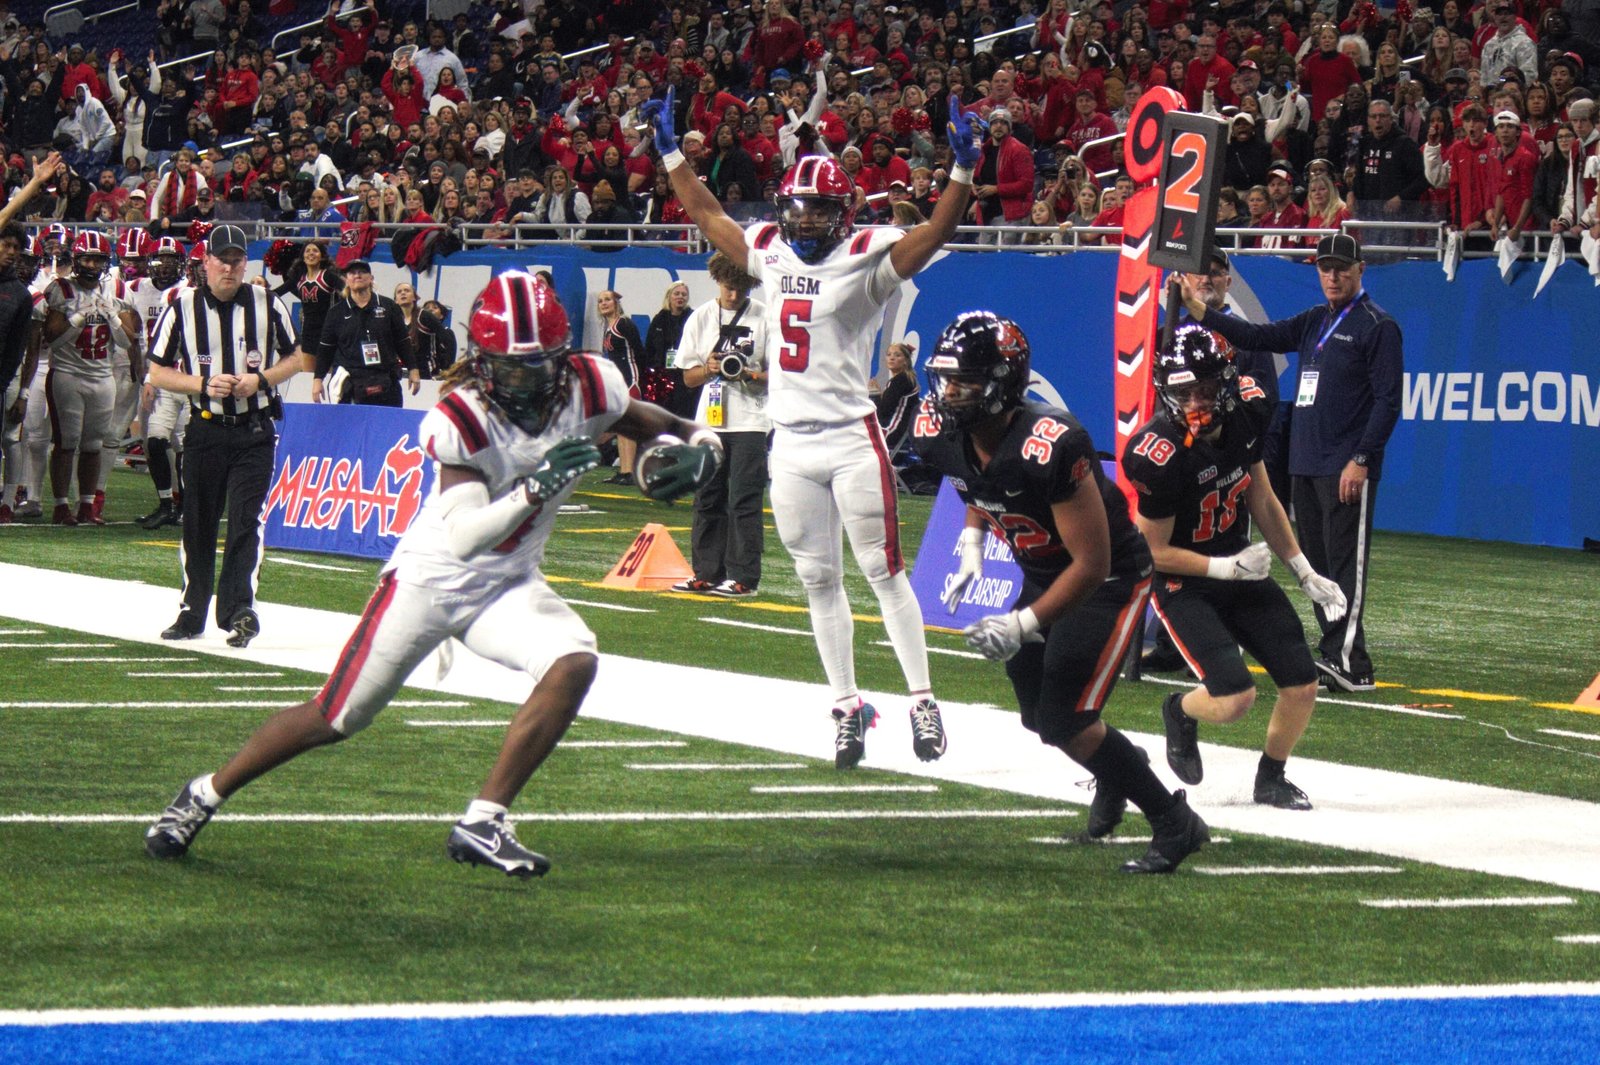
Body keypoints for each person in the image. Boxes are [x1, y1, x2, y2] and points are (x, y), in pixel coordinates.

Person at [144, 272, 722, 875]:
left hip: (509, 582)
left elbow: (667, 424)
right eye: (511, 367)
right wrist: (536, 487)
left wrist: (706, 447)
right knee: (336, 716)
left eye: (538, 366)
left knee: (574, 660)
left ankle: (484, 819)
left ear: (563, 357)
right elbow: (467, 536)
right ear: (482, 358)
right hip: (431, 579)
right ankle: (204, 793)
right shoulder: (462, 416)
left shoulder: (590, 384)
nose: (525, 381)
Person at [648, 87, 985, 768]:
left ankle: (922, 698)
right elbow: (709, 214)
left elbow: (932, 235)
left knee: (884, 573)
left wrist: (961, 172)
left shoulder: (866, 255)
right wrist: (667, 156)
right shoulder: (769, 248)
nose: (805, 221)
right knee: (818, 583)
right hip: (790, 441)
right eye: (798, 208)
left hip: (850, 436)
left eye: (820, 210)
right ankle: (846, 704)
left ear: (844, 214)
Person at [912, 312, 1209, 874]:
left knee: (1065, 718)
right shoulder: (944, 431)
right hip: (1045, 571)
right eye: (945, 379)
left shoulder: (1051, 443)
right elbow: (979, 479)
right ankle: (1120, 766)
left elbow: (1093, 564)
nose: (949, 393)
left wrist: (1022, 624)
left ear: (1003, 384)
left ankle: (1174, 821)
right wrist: (973, 545)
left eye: (965, 382)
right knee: (1039, 716)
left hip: (1109, 579)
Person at [1122, 321, 1348, 809]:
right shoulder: (1159, 453)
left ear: (1226, 386)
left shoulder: (1249, 412)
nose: (1193, 404)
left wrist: (1302, 569)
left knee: (1302, 683)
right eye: (1182, 393)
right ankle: (1178, 710)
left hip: (1241, 565)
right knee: (1233, 698)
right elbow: (1152, 552)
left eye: (1203, 391)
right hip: (1186, 581)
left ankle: (1271, 778)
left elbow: (1261, 495)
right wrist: (1227, 569)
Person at [1179, 234, 1403, 692]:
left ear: (1360, 269)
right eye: (1325, 268)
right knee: (1318, 564)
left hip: (1344, 464)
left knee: (1345, 564)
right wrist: (1202, 313)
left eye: (1341, 267)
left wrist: (1361, 459)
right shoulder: (1315, 320)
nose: (1332, 276)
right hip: (1307, 460)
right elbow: (1256, 336)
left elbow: (1388, 400)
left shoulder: (1377, 326)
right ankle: (1335, 650)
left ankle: (1350, 661)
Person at [147, 225, 308, 648]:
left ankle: (239, 610)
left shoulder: (266, 302)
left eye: (238, 261)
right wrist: (201, 383)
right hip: (204, 428)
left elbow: (297, 359)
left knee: (245, 520)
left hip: (255, 431)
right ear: (206, 263)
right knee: (198, 521)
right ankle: (192, 611)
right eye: (223, 259)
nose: (231, 268)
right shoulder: (181, 307)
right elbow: (157, 370)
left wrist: (262, 380)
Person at [671, 252, 770, 598]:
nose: (733, 295)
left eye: (740, 289)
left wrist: (749, 373)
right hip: (709, 422)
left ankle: (744, 577)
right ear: (718, 281)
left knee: (744, 498)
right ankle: (707, 573)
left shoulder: (764, 316)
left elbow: (779, 375)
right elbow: (688, 378)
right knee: (707, 497)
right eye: (729, 288)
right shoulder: (700, 317)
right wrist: (711, 367)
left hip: (752, 419)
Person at [40, 232, 144, 526]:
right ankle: (61, 506)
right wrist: (77, 320)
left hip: (102, 376)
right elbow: (52, 342)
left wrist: (111, 316)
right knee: (66, 442)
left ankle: (87, 505)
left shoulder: (116, 290)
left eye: (98, 258)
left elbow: (126, 342)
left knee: (93, 444)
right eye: (87, 257)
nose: (92, 264)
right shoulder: (61, 289)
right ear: (76, 259)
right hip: (68, 374)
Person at [133, 236, 188, 530]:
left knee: (183, 447)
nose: (165, 266)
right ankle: (167, 503)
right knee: (154, 441)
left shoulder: (188, 294)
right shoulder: (137, 290)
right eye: (160, 260)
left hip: (188, 379)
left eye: (172, 261)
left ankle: (185, 505)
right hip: (159, 375)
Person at [311, 260, 419, 407]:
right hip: (350, 383)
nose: (357, 275)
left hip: (386, 380)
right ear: (346, 280)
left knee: (388, 429)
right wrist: (318, 379)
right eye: (352, 273)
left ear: (371, 278)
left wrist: (413, 369)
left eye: (362, 272)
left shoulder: (389, 306)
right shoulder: (336, 312)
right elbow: (326, 349)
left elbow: (402, 341)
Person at [595, 289, 647, 484]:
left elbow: (639, 351)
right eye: (600, 301)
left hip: (630, 380)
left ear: (616, 302)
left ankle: (630, 472)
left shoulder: (624, 323)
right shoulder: (608, 327)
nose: (604, 303)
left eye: (607, 300)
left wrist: (638, 380)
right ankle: (624, 471)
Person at [873, 341, 919, 454]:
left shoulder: (901, 380)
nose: (891, 358)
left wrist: (874, 393)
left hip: (894, 432)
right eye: (889, 355)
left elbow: (883, 411)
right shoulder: (904, 379)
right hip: (900, 432)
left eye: (897, 355)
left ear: (905, 361)